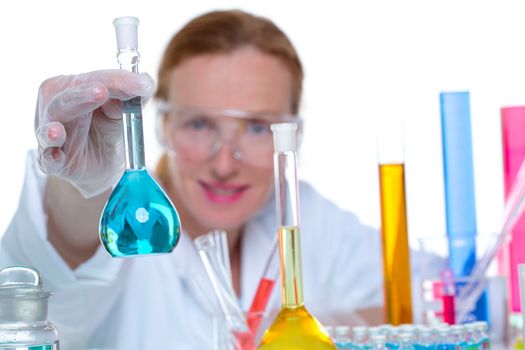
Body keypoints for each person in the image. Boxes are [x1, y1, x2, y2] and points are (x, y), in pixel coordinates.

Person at [0, 9, 390, 349]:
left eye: (256, 128)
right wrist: (82, 187)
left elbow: (431, 288)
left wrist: (332, 330)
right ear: (164, 124)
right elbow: (53, 273)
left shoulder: (312, 220)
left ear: (293, 133)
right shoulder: (135, 230)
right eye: (200, 123)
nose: (224, 162)